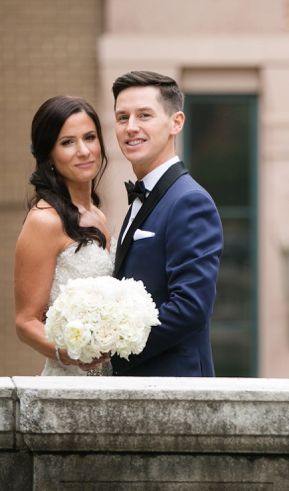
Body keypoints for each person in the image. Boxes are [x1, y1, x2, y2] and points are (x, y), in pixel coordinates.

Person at [111, 70, 223, 376]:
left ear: (176, 123)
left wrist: (111, 350)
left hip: (174, 386)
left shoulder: (189, 201)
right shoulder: (143, 197)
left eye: (144, 115)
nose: (131, 127)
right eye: (122, 117)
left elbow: (191, 307)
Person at [14, 95, 113, 376]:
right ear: (49, 155)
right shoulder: (44, 221)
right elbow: (25, 321)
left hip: (108, 381)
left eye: (90, 137)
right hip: (68, 379)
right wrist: (72, 354)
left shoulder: (97, 215)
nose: (83, 150)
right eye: (67, 142)